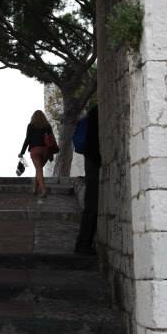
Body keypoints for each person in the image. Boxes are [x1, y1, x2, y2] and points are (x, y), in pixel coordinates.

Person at [74, 104, 100, 255]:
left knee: (92, 203)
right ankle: (83, 244)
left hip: (90, 159)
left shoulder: (93, 112)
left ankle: (84, 243)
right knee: (92, 204)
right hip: (93, 161)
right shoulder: (98, 112)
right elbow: (93, 141)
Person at [19, 109, 58, 197]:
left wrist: (22, 152)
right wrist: (51, 153)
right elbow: (51, 140)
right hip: (46, 151)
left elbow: (27, 139)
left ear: (33, 117)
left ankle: (43, 190)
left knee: (39, 169)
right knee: (39, 169)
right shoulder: (47, 126)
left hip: (35, 150)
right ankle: (35, 189)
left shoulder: (31, 126)